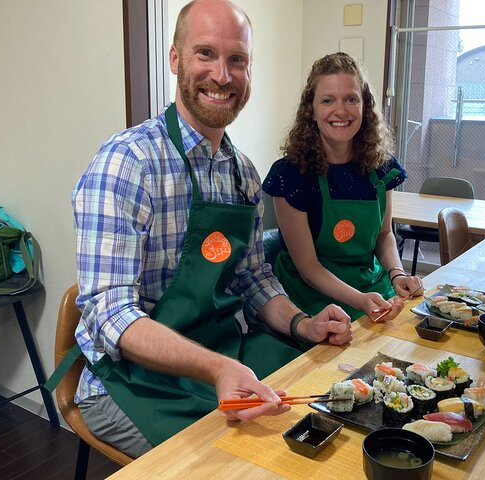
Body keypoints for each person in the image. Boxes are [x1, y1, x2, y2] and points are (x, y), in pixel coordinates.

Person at [60, 0, 352, 459]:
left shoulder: (243, 174)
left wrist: (302, 322)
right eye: (205, 54)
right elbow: (109, 315)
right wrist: (217, 368)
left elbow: (253, 279)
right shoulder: (127, 164)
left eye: (237, 59)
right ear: (175, 59)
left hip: (222, 354)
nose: (222, 75)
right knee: (244, 462)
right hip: (131, 380)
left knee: (322, 413)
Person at [263, 52, 422, 323]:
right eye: (328, 100)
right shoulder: (291, 175)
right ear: (311, 111)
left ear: (364, 107)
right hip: (311, 299)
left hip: (372, 288)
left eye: (351, 99)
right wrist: (359, 300)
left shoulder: (381, 166)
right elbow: (308, 268)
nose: (341, 111)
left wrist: (397, 273)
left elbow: (384, 235)